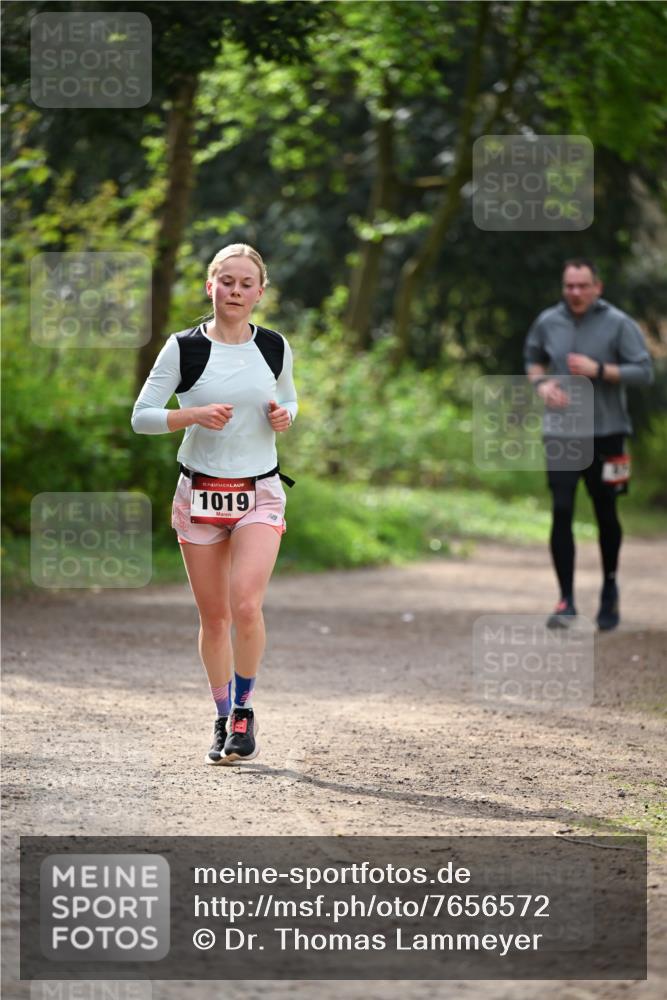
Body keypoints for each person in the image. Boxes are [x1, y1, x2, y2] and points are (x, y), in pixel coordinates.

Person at [131, 244, 297, 763]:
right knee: (216, 618)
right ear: (211, 286)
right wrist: (193, 415)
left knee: (246, 604)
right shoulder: (183, 348)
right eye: (226, 281)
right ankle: (222, 716)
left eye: (246, 284)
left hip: (259, 492)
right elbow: (142, 416)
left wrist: (286, 416)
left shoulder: (274, 346)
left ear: (260, 292)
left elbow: (289, 397)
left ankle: (244, 712)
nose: (235, 291)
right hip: (199, 492)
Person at [524, 258, 653, 631]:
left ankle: (610, 587)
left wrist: (600, 370)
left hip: (608, 433)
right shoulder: (548, 321)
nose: (575, 292)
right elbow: (533, 359)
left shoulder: (619, 323)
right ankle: (565, 600)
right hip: (562, 431)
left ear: (598, 287)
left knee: (606, 511)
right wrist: (542, 385)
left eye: (583, 286)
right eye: (569, 286)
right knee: (562, 508)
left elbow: (643, 372)